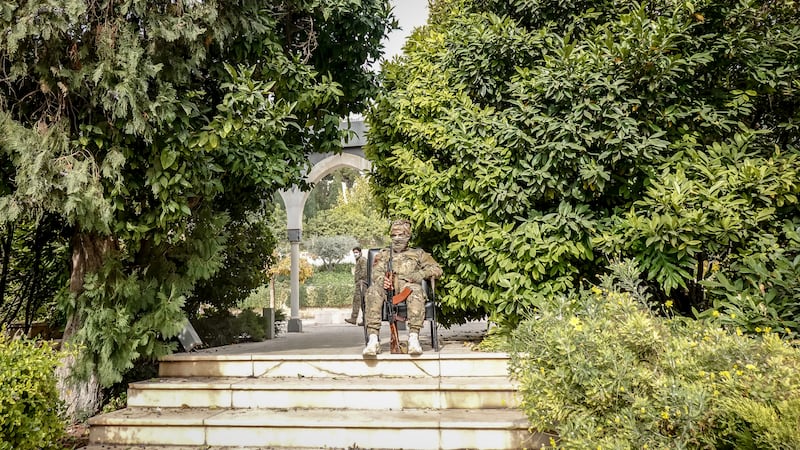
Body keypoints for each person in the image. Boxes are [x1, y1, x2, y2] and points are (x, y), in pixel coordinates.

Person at [362, 219, 442, 356]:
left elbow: (437, 270)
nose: (397, 239)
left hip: (409, 289)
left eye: (401, 235)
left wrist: (421, 274)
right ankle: (373, 339)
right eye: (394, 235)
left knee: (416, 290)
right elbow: (376, 273)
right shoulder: (384, 254)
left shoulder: (418, 253)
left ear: (408, 236)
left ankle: (413, 338)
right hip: (388, 292)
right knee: (372, 291)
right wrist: (383, 281)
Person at [345, 247, 367, 325]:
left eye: (356, 252)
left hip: (361, 283)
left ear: (360, 252)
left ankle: (353, 318)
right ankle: (365, 320)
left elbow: (364, 271)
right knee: (362, 302)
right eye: (354, 252)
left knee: (357, 300)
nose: (355, 254)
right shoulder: (359, 260)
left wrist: (360, 279)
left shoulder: (362, 260)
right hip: (361, 283)